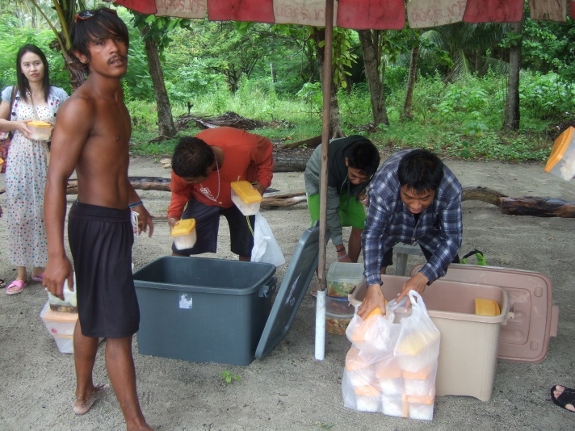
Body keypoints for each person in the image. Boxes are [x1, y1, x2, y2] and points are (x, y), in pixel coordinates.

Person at [43, 8, 154, 430]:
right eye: (100, 42)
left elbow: (112, 168)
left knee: (93, 312)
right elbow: (56, 181)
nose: (114, 48)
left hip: (112, 219)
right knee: (119, 326)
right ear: (81, 55)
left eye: (118, 38)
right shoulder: (79, 107)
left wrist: (136, 203)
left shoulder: (116, 99)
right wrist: (56, 255)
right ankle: (136, 424)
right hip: (94, 224)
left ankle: (83, 392)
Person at [358, 149, 462, 319]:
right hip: (389, 227)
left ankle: (443, 312)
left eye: (424, 199)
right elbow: (372, 234)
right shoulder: (383, 188)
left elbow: (452, 238)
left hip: (428, 228)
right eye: (408, 197)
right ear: (400, 186)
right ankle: (377, 296)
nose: (415, 206)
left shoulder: (450, 189)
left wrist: (423, 276)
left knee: (451, 267)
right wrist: (373, 284)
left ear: (435, 189)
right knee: (374, 271)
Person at [0, 44, 68, 295]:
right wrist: (18, 124)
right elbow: (1, 123)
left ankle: (40, 268)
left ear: (44, 64)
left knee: (44, 212)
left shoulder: (58, 94)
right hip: (19, 158)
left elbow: (68, 126)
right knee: (19, 213)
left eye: (36, 63)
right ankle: (21, 274)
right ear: (21, 68)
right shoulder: (13, 93)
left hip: (46, 159)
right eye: (27, 64)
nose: (32, 68)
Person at [168, 127, 273, 261]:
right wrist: (173, 216)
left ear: (208, 170)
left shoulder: (245, 146)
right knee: (181, 244)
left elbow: (265, 155)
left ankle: (245, 276)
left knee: (247, 244)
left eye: (191, 180)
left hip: (240, 196)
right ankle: (177, 276)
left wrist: (262, 184)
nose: (187, 182)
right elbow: (179, 192)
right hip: (203, 197)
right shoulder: (184, 165)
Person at [304, 135, 380, 263]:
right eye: (354, 176)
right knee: (320, 229)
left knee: (361, 224)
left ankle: (350, 266)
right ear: (346, 161)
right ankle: (320, 278)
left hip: (344, 184)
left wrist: (359, 192)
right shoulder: (329, 163)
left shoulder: (370, 158)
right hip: (319, 181)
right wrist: (341, 252)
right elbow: (331, 211)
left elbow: (360, 179)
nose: (357, 181)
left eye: (362, 179)